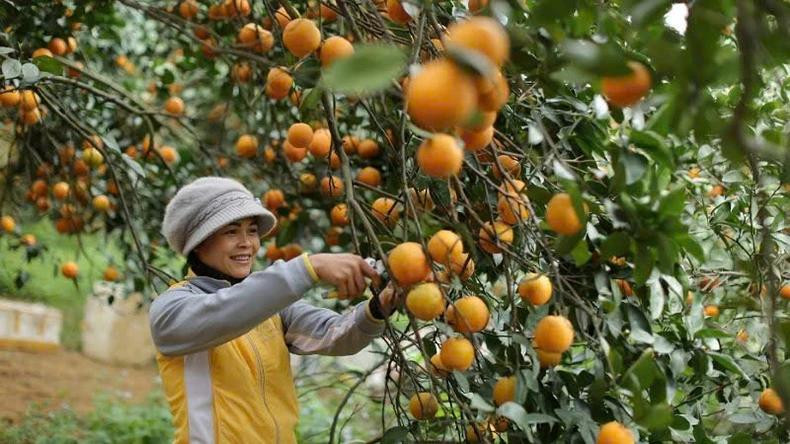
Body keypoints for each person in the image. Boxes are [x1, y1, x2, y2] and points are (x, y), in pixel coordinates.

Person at [149, 177, 398, 443]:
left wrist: (379, 307)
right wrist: (308, 267)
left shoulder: (273, 306)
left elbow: (334, 334)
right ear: (198, 242)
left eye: (252, 231)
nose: (247, 243)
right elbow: (228, 309)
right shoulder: (172, 309)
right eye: (231, 232)